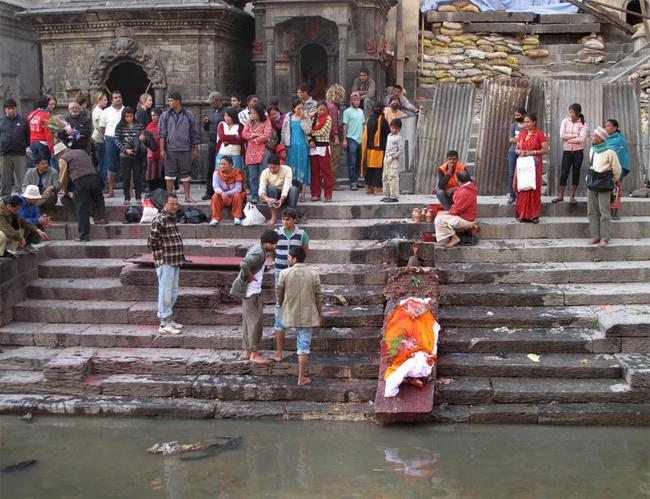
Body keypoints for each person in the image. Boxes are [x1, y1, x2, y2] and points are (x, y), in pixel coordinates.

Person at [229, 229, 280, 364]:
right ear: (265, 242)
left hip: (250, 292)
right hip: (251, 292)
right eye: (272, 244)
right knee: (255, 323)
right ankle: (253, 354)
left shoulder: (259, 249)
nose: (274, 246)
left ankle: (249, 351)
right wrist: (250, 276)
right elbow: (244, 264)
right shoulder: (259, 253)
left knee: (248, 322)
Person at [276, 246, 323, 386]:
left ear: (294, 259)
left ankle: (278, 353)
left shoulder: (284, 273)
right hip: (307, 316)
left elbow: (279, 292)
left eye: (289, 257)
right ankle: (301, 378)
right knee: (303, 349)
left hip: (288, 312)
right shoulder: (313, 274)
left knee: (279, 326)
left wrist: (281, 304)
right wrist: (319, 314)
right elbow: (319, 297)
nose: (288, 259)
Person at [272, 208, 310, 362]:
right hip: (279, 273)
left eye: (288, 219)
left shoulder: (302, 234)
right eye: (283, 219)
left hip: (296, 275)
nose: (285, 222)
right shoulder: (277, 233)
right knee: (279, 304)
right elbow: (271, 250)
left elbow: (305, 252)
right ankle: (279, 350)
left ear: (294, 220)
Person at [147, 192, 186, 335]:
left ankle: (169, 319)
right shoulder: (159, 219)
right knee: (165, 292)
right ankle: (163, 323)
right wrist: (160, 255)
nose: (175, 206)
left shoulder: (171, 218)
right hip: (165, 260)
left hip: (175, 260)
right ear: (165, 204)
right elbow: (151, 242)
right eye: (172, 204)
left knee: (173, 292)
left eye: (176, 204)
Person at [56, 142, 107, 242]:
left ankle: (84, 236)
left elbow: (63, 177)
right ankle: (101, 218)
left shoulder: (63, 158)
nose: (57, 157)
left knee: (81, 208)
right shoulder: (81, 151)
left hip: (80, 181)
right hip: (94, 177)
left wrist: (64, 191)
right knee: (99, 198)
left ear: (60, 153)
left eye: (57, 155)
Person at [159, 91, 201, 203]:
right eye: (168, 101)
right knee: (169, 175)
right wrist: (162, 149)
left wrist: (195, 148)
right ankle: (169, 198)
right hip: (170, 149)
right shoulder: (165, 115)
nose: (169, 103)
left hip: (185, 149)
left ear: (178, 101)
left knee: (186, 174)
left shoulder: (189, 115)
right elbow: (162, 133)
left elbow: (194, 133)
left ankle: (187, 196)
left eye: (171, 100)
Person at [587, 127, 622, 247]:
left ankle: (605, 238)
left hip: (604, 184)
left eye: (595, 136)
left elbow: (617, 170)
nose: (593, 138)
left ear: (601, 138)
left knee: (604, 212)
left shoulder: (610, 151)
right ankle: (595, 236)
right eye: (593, 135)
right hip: (592, 183)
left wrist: (612, 181)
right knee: (592, 211)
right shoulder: (592, 149)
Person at [514, 112, 549, 224]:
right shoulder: (522, 134)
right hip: (523, 163)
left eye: (528, 122)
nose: (526, 124)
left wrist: (533, 152)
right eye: (525, 122)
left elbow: (546, 150)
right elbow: (516, 149)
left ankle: (534, 215)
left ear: (534, 122)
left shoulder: (539, 134)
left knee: (533, 188)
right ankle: (522, 215)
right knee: (523, 187)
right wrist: (521, 152)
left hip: (534, 164)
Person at [434, 169, 479, 248]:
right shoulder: (467, 187)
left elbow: (456, 209)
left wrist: (446, 214)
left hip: (466, 220)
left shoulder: (465, 192)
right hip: (465, 217)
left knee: (438, 219)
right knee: (440, 215)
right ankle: (444, 237)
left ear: (457, 179)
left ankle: (453, 238)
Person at [553, 103, 587, 205]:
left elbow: (582, 139)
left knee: (576, 173)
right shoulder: (565, 121)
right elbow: (562, 136)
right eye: (570, 112)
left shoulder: (583, 123)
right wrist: (574, 136)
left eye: (573, 112)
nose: (571, 114)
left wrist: (568, 139)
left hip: (578, 152)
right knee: (564, 173)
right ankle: (560, 196)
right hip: (567, 151)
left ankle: (572, 196)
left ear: (578, 113)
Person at [281, 98, 312, 202]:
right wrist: (283, 146)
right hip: (291, 147)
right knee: (290, 171)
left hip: (303, 147)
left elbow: (308, 131)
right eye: (298, 108)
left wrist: (302, 119)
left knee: (303, 169)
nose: (300, 110)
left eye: (302, 108)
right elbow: (283, 133)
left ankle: (303, 195)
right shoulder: (287, 117)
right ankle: (291, 194)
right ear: (293, 108)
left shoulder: (306, 117)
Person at [114, 107, 146, 205]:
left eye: (131, 116)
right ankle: (127, 197)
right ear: (123, 117)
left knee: (137, 177)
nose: (129, 118)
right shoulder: (120, 126)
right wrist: (125, 150)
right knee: (126, 177)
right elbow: (117, 140)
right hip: (125, 155)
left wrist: (143, 138)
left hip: (137, 155)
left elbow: (145, 136)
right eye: (127, 116)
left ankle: (138, 196)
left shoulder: (139, 125)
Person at [242, 101, 272, 204]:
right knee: (252, 176)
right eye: (251, 113)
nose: (252, 115)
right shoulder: (248, 123)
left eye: (254, 113)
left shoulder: (267, 122)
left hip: (263, 152)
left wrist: (254, 139)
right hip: (251, 153)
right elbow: (244, 134)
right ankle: (254, 196)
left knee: (264, 175)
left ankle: (264, 195)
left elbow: (267, 135)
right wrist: (255, 135)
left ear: (259, 112)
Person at [259, 154, 299, 225]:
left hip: (286, 195)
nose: (272, 170)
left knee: (294, 189)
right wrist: (267, 199)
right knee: (271, 188)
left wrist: (282, 198)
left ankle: (290, 216)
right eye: (270, 167)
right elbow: (261, 189)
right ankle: (274, 216)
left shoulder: (287, 169)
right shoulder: (265, 172)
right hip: (273, 196)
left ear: (279, 165)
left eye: (274, 168)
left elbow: (287, 185)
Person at [0, 99, 29, 197]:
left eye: (13, 108)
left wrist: (25, 147)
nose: (11, 110)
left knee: (22, 179)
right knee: (5, 179)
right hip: (5, 154)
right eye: (9, 108)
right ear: (5, 110)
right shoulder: (1, 121)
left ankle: (23, 198)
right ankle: (5, 199)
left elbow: (27, 136)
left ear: (16, 108)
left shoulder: (23, 120)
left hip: (20, 154)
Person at [99, 90, 125, 198]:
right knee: (111, 165)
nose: (118, 99)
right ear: (112, 100)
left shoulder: (126, 110)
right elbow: (102, 127)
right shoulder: (106, 112)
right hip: (110, 138)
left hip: (124, 139)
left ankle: (128, 189)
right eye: (115, 97)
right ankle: (111, 190)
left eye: (119, 97)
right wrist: (107, 137)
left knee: (127, 164)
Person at [605, 119, 632, 221]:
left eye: (609, 126)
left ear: (615, 128)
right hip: (605, 169)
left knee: (616, 189)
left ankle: (614, 213)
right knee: (605, 190)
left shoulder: (620, 140)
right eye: (606, 126)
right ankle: (605, 211)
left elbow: (620, 154)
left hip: (617, 169)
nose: (606, 128)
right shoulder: (605, 139)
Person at [201, 91, 226, 200]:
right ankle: (209, 190)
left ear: (217, 101)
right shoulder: (210, 112)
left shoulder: (226, 112)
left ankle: (223, 191)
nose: (210, 104)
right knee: (210, 167)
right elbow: (206, 129)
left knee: (223, 166)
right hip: (211, 141)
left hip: (223, 142)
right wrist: (205, 123)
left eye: (211, 102)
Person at [361, 104, 390, 195]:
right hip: (379, 149)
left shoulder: (369, 120)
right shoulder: (383, 121)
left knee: (370, 168)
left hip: (369, 148)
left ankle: (369, 187)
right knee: (379, 169)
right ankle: (377, 188)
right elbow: (388, 133)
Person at [308, 101, 333, 202]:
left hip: (323, 148)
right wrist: (310, 140)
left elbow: (323, 132)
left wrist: (311, 133)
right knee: (314, 172)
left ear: (327, 110)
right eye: (320, 109)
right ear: (317, 109)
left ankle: (328, 194)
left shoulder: (328, 118)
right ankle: (315, 194)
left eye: (323, 109)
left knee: (326, 172)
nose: (321, 111)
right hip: (313, 148)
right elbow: (307, 131)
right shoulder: (312, 118)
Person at [210, 156, 246, 225]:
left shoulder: (236, 172)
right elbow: (216, 187)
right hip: (222, 195)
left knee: (237, 195)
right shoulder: (216, 173)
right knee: (215, 196)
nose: (222, 166)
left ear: (231, 164)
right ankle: (215, 218)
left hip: (233, 195)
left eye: (224, 164)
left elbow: (238, 188)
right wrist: (222, 193)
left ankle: (237, 217)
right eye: (221, 164)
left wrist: (226, 194)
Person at [342, 92, 365, 191]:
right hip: (351, 139)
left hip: (360, 139)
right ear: (351, 101)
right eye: (354, 100)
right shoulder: (347, 112)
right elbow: (345, 126)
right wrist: (344, 140)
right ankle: (352, 182)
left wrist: (364, 138)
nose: (356, 102)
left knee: (358, 162)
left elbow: (363, 125)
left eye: (358, 100)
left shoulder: (361, 111)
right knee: (352, 162)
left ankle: (356, 180)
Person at [325, 84, 344, 188]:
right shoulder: (333, 107)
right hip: (331, 138)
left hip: (325, 137)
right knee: (334, 160)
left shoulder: (327, 105)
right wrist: (336, 137)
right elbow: (334, 124)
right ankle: (332, 183)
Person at [26, 96, 53, 169]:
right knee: (45, 166)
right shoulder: (46, 116)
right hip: (43, 143)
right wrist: (51, 149)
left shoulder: (30, 115)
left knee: (36, 166)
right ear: (45, 105)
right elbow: (48, 133)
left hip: (32, 143)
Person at [506, 107, 526, 205]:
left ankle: (521, 195)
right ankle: (512, 195)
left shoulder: (527, 125)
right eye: (515, 115)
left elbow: (529, 139)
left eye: (518, 115)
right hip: (513, 152)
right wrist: (522, 139)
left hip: (524, 153)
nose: (516, 117)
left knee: (522, 174)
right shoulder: (513, 125)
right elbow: (511, 140)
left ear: (523, 115)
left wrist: (518, 138)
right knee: (511, 173)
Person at [381, 118, 404, 203]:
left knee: (393, 177)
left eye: (396, 128)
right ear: (390, 127)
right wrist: (386, 157)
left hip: (393, 160)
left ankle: (394, 196)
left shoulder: (399, 138)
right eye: (392, 127)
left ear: (399, 129)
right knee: (385, 177)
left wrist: (393, 157)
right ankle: (387, 195)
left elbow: (401, 150)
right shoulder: (389, 136)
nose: (394, 129)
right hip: (386, 158)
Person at [145, 108, 165, 191]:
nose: (153, 117)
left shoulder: (164, 125)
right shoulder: (149, 126)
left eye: (155, 115)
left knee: (161, 172)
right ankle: (153, 191)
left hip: (161, 152)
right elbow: (146, 139)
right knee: (152, 173)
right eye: (152, 115)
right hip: (152, 153)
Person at [91, 92, 108, 184]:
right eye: (104, 100)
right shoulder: (99, 112)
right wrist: (105, 137)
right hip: (99, 139)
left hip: (98, 138)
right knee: (102, 163)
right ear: (99, 100)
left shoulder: (97, 110)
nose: (107, 101)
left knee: (100, 162)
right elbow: (100, 127)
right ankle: (101, 183)